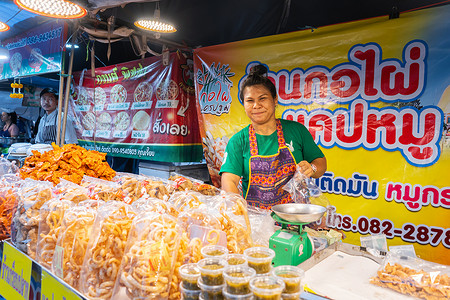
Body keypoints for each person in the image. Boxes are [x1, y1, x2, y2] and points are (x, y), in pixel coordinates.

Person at [220, 65, 327, 209]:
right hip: (257, 222)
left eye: (262, 98)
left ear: (275, 100)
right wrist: (240, 211)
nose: (256, 105)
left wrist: (312, 168)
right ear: (244, 104)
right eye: (250, 101)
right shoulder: (238, 141)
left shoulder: (296, 131)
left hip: (295, 217)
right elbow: (229, 181)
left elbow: (320, 162)